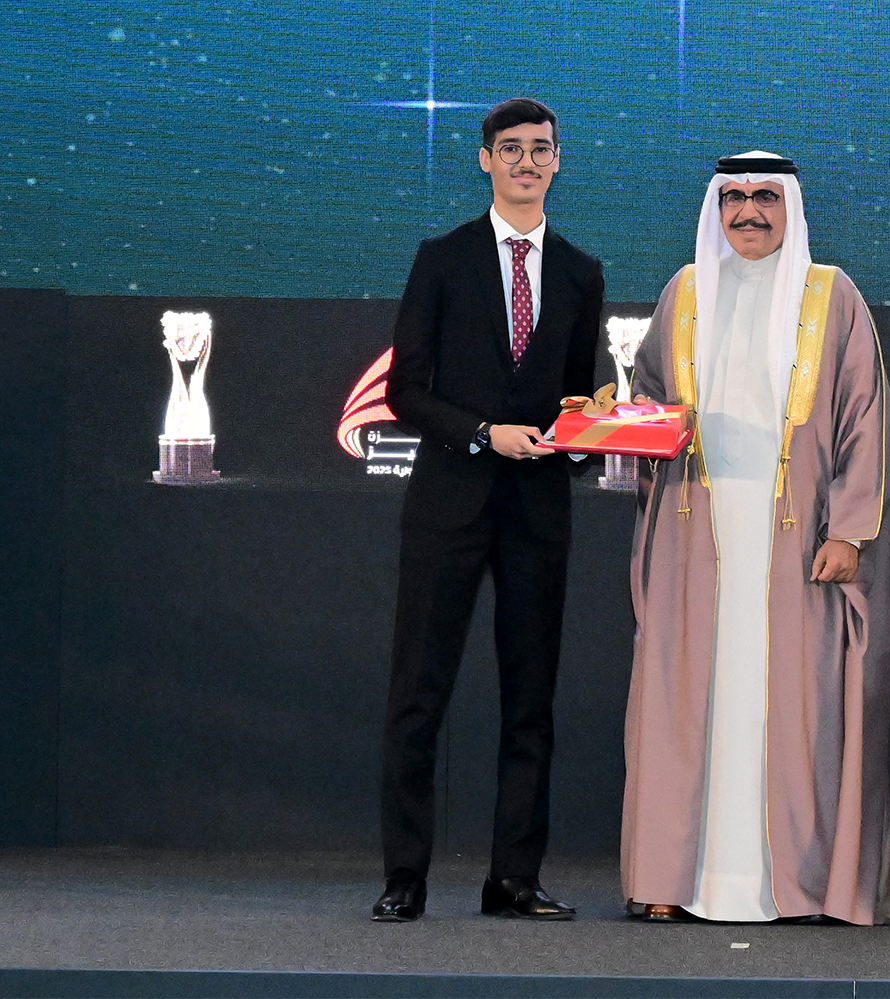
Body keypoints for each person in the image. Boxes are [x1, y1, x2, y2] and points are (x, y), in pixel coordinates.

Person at [620, 152, 890, 925]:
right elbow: (649, 397)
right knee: (687, 703)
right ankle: (676, 879)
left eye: (765, 197)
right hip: (693, 535)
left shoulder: (832, 295)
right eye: (735, 197)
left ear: (790, 207)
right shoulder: (684, 292)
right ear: (716, 208)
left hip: (794, 541)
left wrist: (849, 528)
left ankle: (794, 884)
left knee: (789, 710)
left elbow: (865, 417)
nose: (749, 212)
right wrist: (614, 418)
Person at [371, 97, 604, 922]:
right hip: (448, 505)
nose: (526, 162)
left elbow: (577, 396)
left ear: (558, 161)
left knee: (530, 700)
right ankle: (404, 877)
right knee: (418, 693)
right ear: (485, 160)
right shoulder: (442, 258)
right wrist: (481, 433)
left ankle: (513, 877)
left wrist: (586, 436)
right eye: (511, 149)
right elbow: (404, 390)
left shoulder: (580, 271)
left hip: (538, 512)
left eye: (541, 148)